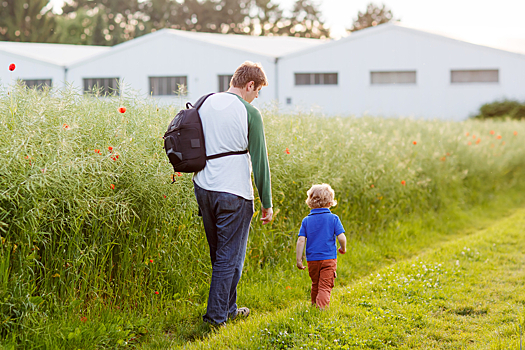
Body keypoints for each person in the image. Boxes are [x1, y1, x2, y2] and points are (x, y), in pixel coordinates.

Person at [193, 61, 273, 326]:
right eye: (257, 91)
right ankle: (216, 318)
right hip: (234, 192)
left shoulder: (204, 103)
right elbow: (260, 161)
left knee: (222, 256)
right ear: (250, 85)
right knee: (229, 257)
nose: (256, 97)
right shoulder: (249, 112)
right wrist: (267, 202)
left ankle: (228, 308)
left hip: (203, 187)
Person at [295, 184, 346, 309]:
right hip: (328, 259)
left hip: (312, 260)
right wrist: (343, 248)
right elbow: (341, 237)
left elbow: (301, 240)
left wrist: (299, 259)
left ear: (310, 202)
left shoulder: (306, 220)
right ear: (330, 202)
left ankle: (314, 306)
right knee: (325, 286)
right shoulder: (333, 218)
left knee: (316, 284)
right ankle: (321, 309)